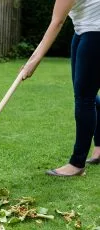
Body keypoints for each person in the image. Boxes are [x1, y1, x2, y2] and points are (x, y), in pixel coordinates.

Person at [21, 0, 100, 177]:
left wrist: (33, 61)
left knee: (84, 99)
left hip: (95, 35)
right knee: (86, 96)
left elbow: (57, 22)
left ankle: (77, 164)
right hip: (82, 31)